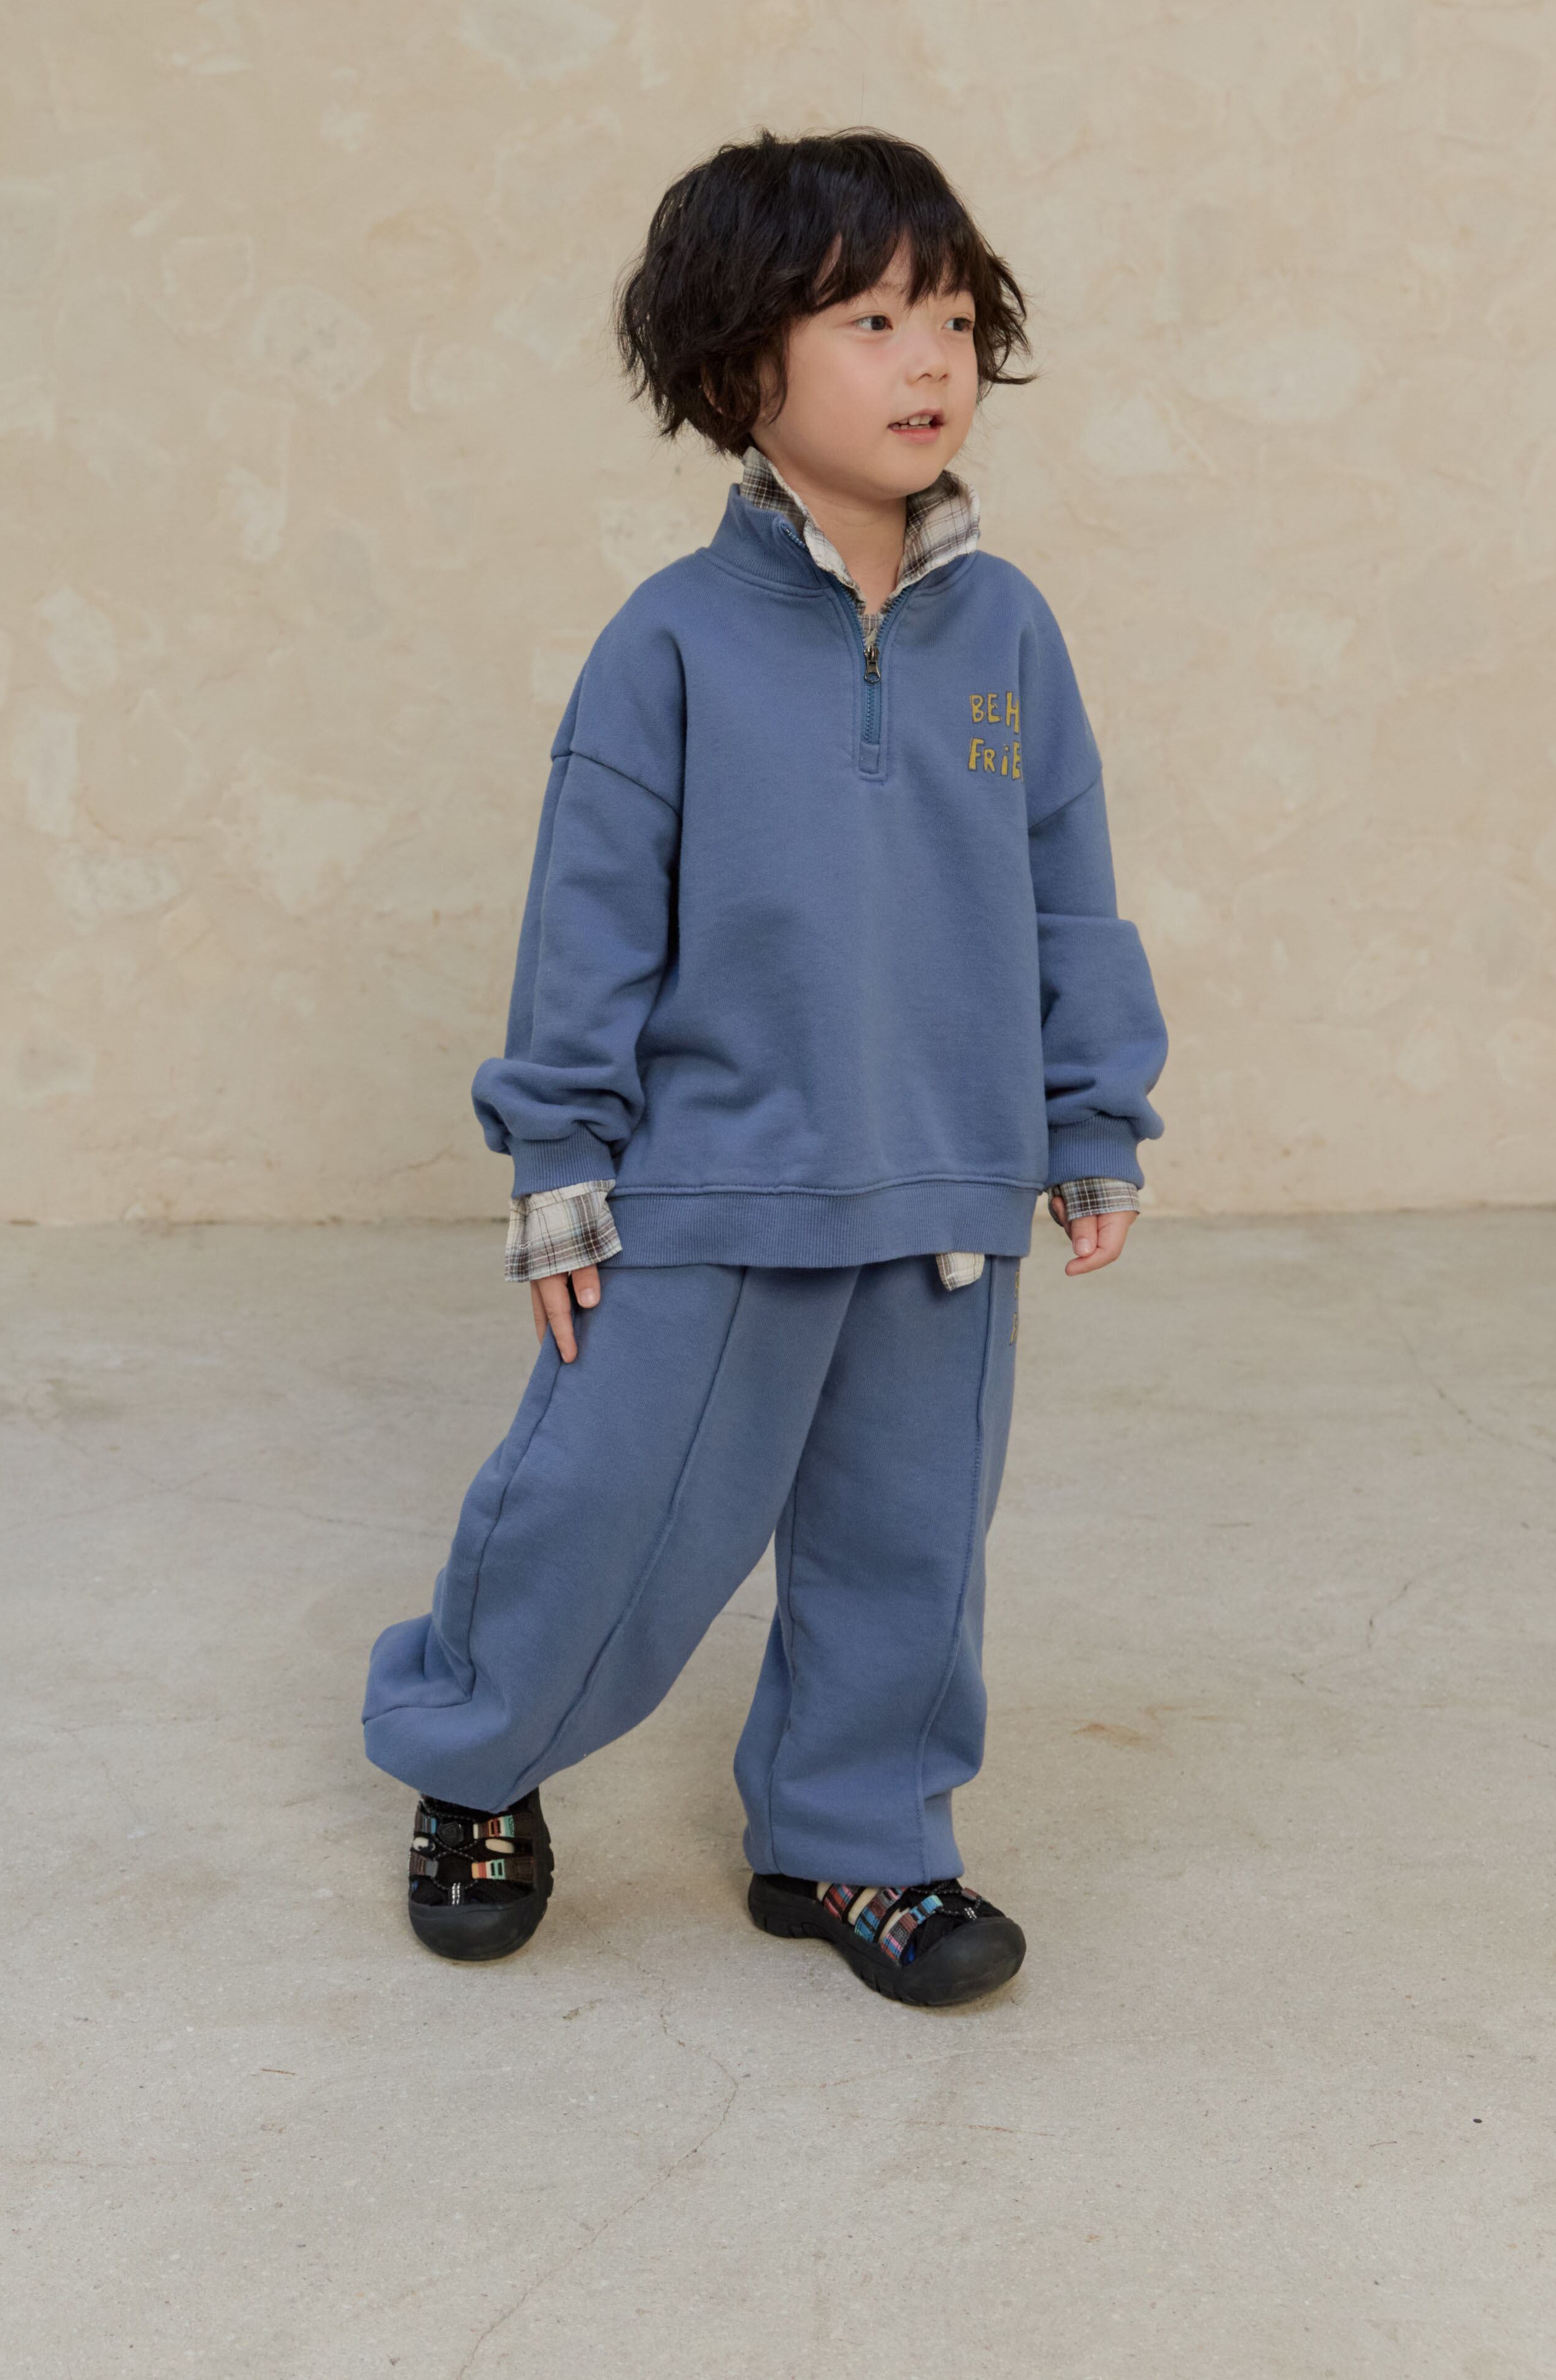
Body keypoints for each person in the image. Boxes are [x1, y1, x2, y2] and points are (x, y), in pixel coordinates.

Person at [360, 128, 1168, 2009]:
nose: (929, 358)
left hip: (947, 1180)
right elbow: (587, 920)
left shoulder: (1010, 633)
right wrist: (561, 1155)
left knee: (909, 1548)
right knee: (602, 1509)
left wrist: (1089, 1116)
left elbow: (1068, 888)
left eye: (951, 317)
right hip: (713, 1182)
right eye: (871, 320)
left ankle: (853, 1841)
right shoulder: (672, 642)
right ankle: (475, 1757)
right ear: (742, 371)